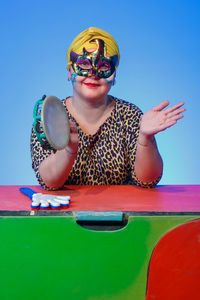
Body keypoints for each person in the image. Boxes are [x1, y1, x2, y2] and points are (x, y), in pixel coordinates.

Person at [31, 27, 185, 190]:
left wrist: (146, 139)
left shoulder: (130, 116)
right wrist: (69, 151)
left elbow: (147, 181)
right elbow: (48, 183)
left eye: (103, 66)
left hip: (122, 212)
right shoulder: (49, 115)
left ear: (114, 75)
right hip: (65, 212)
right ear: (70, 71)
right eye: (84, 63)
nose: (93, 73)